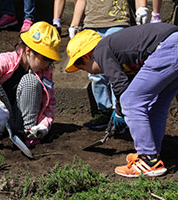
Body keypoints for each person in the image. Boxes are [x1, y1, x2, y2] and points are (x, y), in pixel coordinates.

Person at [65, 22, 178, 177]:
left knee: (132, 102)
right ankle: (152, 155)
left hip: (167, 47)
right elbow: (128, 86)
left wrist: (119, 113)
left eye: (84, 68)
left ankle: (148, 160)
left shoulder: (101, 50)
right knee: (156, 105)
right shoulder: (118, 50)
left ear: (86, 56)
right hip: (172, 45)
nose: (88, 72)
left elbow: (121, 86)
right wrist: (119, 110)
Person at [0, 21, 60, 149]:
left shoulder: (45, 72)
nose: (48, 64)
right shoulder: (7, 60)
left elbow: (50, 101)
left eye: (51, 60)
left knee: (30, 80)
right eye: (45, 58)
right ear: (29, 51)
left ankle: (29, 132)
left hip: (21, 121)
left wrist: (44, 125)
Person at [68, 0, 131, 131]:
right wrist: (74, 24)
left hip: (117, 21)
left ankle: (118, 112)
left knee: (116, 72)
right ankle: (104, 111)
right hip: (92, 23)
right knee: (95, 74)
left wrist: (142, 8)